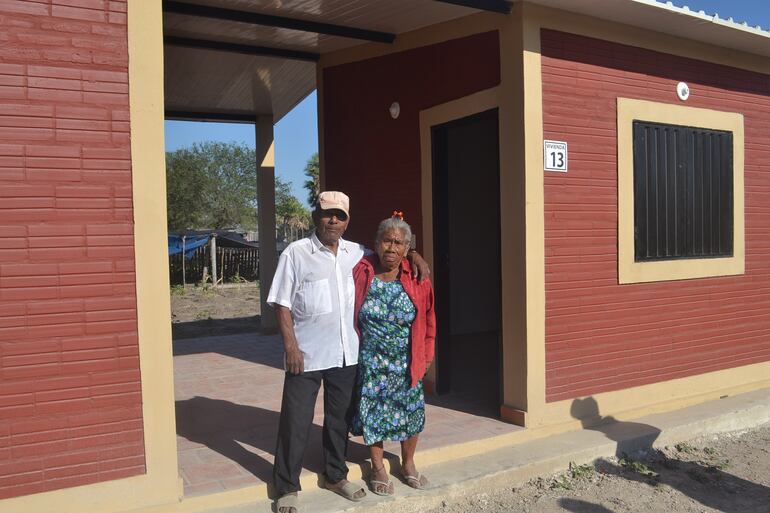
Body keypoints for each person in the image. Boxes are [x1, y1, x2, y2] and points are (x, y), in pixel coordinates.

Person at [267, 192, 429, 513]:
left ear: (347, 221)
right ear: (317, 216)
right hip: (307, 354)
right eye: (328, 214)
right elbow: (281, 303)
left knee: (338, 421)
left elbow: (392, 251)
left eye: (340, 216)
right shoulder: (296, 253)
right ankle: (286, 485)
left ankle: (335, 475)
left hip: (346, 355)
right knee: (296, 422)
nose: (333, 221)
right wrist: (290, 346)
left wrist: (417, 256)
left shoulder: (358, 253)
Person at [350, 213, 436, 496]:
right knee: (373, 415)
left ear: (407, 247)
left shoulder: (418, 277)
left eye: (399, 243)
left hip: (407, 360)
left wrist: (426, 355)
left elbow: (429, 319)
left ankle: (408, 463)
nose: (391, 247)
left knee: (411, 413)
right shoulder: (362, 272)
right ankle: (377, 466)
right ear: (376, 243)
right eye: (386, 240)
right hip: (372, 362)